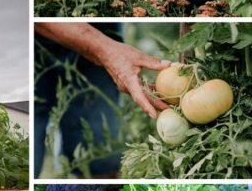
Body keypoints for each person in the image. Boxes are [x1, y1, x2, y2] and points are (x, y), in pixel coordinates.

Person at [34, 22, 171, 177]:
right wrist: (107, 51)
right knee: (30, 156)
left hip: (100, 30)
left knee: (101, 160)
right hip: (35, 43)